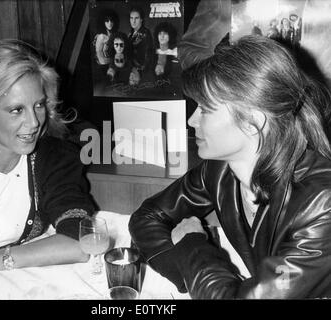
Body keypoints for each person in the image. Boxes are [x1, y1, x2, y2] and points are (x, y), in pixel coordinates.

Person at [129, 35, 331, 299]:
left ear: (252, 122)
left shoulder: (323, 205)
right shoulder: (219, 171)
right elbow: (147, 218)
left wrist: (192, 245)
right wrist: (195, 280)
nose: (192, 120)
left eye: (205, 109)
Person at [0, 39, 95, 297]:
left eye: (39, 105)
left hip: (23, 281)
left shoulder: (55, 156)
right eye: (16, 110)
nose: (34, 122)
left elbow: (80, 242)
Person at [127, 6, 154, 85]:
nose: (133, 21)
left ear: (141, 19)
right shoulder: (131, 34)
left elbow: (149, 54)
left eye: (136, 18)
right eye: (131, 18)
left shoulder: (145, 33)